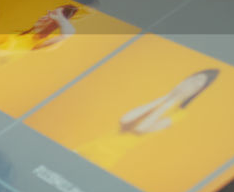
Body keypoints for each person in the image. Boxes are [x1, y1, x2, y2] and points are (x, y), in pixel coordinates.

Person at [76, 69, 219, 169]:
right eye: (193, 79)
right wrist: (167, 97)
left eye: (197, 84)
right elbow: (125, 120)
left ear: (198, 91)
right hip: (93, 145)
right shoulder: (157, 95)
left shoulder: (179, 114)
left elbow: (141, 128)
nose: (191, 84)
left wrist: (173, 100)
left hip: (107, 156)